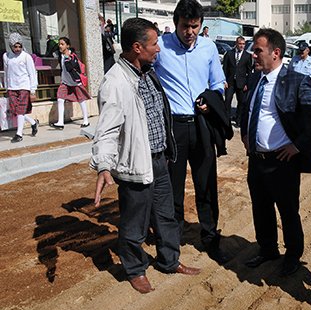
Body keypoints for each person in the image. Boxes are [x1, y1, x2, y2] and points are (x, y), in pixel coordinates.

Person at [91, 18, 201, 294]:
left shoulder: (147, 72)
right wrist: (104, 165)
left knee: (166, 217)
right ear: (137, 47)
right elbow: (105, 131)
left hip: (160, 160)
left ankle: (169, 260)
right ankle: (135, 269)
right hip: (135, 166)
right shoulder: (115, 83)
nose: (159, 49)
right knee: (134, 224)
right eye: (154, 44)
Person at [241, 28, 311, 276]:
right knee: (261, 207)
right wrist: (246, 135)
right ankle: (267, 249)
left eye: (258, 50)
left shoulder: (296, 81)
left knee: (288, 210)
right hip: (257, 159)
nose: (253, 55)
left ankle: (292, 255)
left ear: (276, 52)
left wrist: (298, 145)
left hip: (282, 161)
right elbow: (247, 110)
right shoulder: (256, 78)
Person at [153, 0, 232, 264]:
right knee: (172, 188)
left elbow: (218, 82)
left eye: (195, 26)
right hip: (173, 127)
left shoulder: (208, 48)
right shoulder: (161, 47)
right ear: (176, 23)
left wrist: (212, 99)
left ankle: (210, 239)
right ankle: (171, 243)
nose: (190, 32)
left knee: (206, 185)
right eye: (185, 26)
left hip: (201, 124)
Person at [3, 33, 39, 143]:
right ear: (11, 46)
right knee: (15, 110)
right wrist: (6, 86)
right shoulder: (6, 56)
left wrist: (33, 89)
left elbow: (32, 73)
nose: (18, 49)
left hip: (24, 86)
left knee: (20, 110)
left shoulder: (26, 57)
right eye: (15, 46)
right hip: (12, 87)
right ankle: (33, 123)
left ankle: (19, 134)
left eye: (19, 46)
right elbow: (6, 72)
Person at [50, 37, 91, 129]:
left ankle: (86, 120)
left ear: (67, 46)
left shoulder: (72, 56)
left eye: (62, 44)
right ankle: (60, 122)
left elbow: (70, 68)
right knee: (60, 98)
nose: (60, 46)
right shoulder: (60, 55)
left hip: (75, 82)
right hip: (65, 82)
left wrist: (68, 58)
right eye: (59, 44)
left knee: (81, 100)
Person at [222, 36, 253, 126]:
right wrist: (224, 81)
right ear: (236, 44)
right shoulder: (229, 54)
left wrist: (247, 83)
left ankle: (238, 120)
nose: (242, 46)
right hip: (230, 82)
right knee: (227, 100)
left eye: (243, 44)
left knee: (241, 102)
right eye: (240, 44)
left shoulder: (247, 56)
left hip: (241, 83)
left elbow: (249, 71)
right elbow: (225, 68)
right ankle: (226, 119)